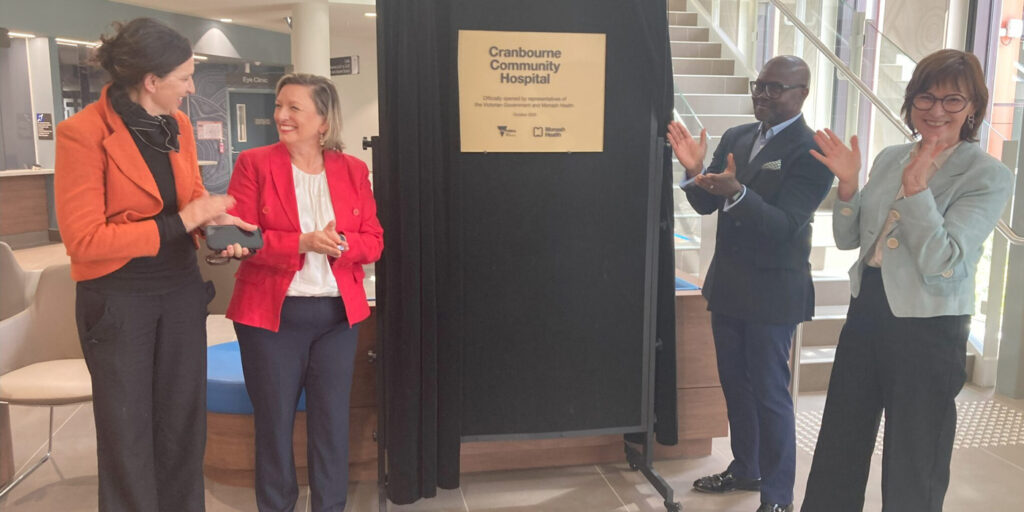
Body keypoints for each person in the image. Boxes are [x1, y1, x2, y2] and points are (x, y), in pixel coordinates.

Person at [801, 49, 1013, 512]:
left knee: (916, 452)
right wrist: (848, 186)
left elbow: (945, 262)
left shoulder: (988, 175)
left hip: (930, 324)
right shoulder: (891, 156)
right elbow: (847, 238)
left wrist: (918, 194)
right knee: (841, 436)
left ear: (974, 107)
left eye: (953, 100)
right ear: (911, 102)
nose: (937, 110)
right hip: (868, 309)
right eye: (926, 97)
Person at [54, 18, 253, 512]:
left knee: (183, 423)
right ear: (151, 80)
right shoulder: (81, 134)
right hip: (118, 300)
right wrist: (185, 218)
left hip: (181, 291)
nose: (191, 88)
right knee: (128, 433)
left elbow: (190, 196)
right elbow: (84, 240)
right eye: (184, 77)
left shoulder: (177, 126)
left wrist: (216, 226)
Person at [668, 55, 834, 512]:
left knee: (769, 392)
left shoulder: (813, 151)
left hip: (774, 293)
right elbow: (706, 204)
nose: (762, 94)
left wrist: (738, 193)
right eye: (759, 85)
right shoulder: (737, 136)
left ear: (802, 94)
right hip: (729, 286)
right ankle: (746, 469)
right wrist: (692, 172)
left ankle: (778, 497)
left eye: (775, 88)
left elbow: (786, 226)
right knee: (734, 385)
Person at [224, 73, 383, 512]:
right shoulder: (254, 164)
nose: (281, 115)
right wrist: (301, 242)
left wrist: (343, 244)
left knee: (332, 426)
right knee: (273, 427)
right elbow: (242, 239)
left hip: (337, 318)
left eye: (294, 107)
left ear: (322, 121)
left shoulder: (353, 170)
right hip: (271, 319)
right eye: (279, 105)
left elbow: (375, 240)